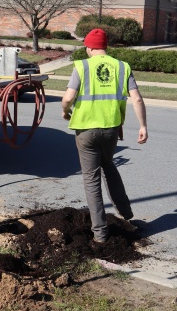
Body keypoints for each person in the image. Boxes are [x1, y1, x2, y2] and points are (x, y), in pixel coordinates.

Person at [61, 28, 148, 251]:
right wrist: (142, 126)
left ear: (89, 48)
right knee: (109, 166)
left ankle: (100, 233)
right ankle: (126, 212)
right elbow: (136, 99)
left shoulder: (81, 66)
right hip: (111, 129)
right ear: (106, 47)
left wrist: (65, 110)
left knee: (91, 179)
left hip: (86, 130)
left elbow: (68, 97)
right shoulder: (121, 66)